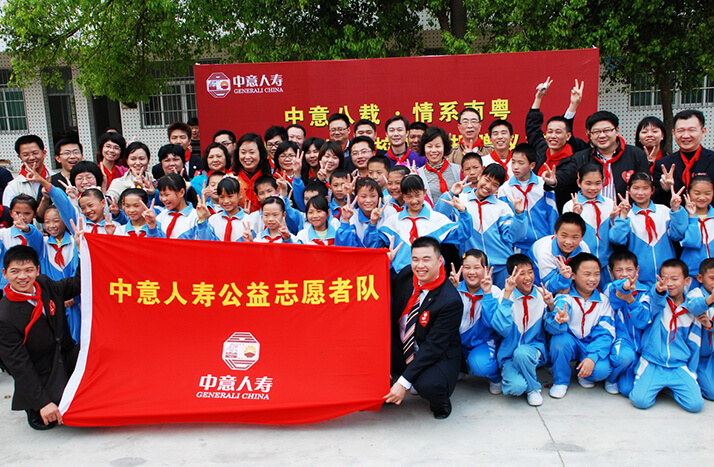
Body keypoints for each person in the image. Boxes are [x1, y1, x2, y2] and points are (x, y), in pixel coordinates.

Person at [0, 245, 80, 430]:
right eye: (15, 271)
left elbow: (77, 283)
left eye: (28, 270)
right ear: (5, 273)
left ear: (37, 270)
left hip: (65, 357)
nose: (22, 277)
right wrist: (43, 403)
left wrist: (83, 249)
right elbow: (19, 366)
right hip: (41, 374)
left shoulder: (44, 284)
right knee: (49, 421)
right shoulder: (4, 316)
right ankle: (37, 403)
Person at [384, 236, 462, 419]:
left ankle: (440, 402)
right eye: (415, 259)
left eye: (426, 259)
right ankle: (387, 387)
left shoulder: (450, 300)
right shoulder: (407, 275)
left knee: (430, 385)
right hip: (404, 346)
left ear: (440, 261)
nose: (420, 266)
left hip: (434, 355)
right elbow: (381, 286)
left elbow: (433, 347)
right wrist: (383, 265)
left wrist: (403, 383)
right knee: (372, 343)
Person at [629, 259, 705, 412]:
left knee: (696, 405)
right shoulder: (656, 300)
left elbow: (694, 343)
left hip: (678, 365)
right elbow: (656, 298)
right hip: (653, 362)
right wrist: (659, 291)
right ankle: (655, 383)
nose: (669, 283)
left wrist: (691, 372)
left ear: (687, 281)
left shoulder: (692, 308)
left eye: (675, 279)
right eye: (664, 279)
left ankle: (670, 388)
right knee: (640, 401)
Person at [436, 163, 526, 287]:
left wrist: (520, 215)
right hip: (472, 268)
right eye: (487, 180)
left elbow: (513, 237)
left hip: (501, 266)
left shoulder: (502, 207)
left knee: (501, 298)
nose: (488, 186)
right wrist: (452, 193)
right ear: (480, 176)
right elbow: (439, 218)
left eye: (495, 185)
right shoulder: (460, 200)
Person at [546, 252, 615, 398]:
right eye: (587, 274)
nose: (592, 279)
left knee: (601, 371)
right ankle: (561, 381)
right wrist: (558, 318)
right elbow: (556, 318)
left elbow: (606, 332)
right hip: (570, 342)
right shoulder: (565, 296)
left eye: (596, 274)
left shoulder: (603, 300)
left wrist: (592, 357)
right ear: (573, 276)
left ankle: (583, 372)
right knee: (559, 341)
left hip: (590, 344)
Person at [545, 111, 649, 205]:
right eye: (596, 132)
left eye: (607, 130)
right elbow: (566, 175)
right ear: (589, 134)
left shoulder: (636, 155)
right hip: (590, 214)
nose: (602, 135)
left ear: (617, 131)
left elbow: (645, 185)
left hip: (625, 214)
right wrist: (554, 181)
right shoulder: (581, 157)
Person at [368, 175, 467, 274]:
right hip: (402, 275)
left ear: (424, 192)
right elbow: (373, 245)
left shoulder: (437, 219)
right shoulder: (393, 221)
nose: (414, 201)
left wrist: (463, 212)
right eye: (409, 196)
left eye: (417, 195)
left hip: (432, 274)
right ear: (403, 196)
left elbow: (462, 235)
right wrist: (373, 224)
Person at [492, 254, 554, 406]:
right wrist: (507, 296)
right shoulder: (504, 296)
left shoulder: (542, 295)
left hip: (534, 350)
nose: (527, 277)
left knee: (522, 353)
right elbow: (502, 329)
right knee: (516, 387)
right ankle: (520, 375)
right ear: (511, 276)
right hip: (509, 355)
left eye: (530, 272)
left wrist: (551, 307)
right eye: (521, 273)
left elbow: (553, 329)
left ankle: (533, 389)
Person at [610, 172, 688, 286]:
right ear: (629, 190)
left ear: (652, 190)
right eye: (636, 188)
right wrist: (622, 217)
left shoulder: (664, 211)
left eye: (645, 188)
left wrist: (676, 210)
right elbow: (617, 240)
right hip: (639, 280)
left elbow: (678, 235)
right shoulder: (627, 216)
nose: (640, 192)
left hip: (667, 278)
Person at [450, 249, 503, 395]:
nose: (471, 272)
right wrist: (451, 292)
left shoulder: (495, 292)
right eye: (467, 267)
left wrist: (487, 294)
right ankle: (460, 368)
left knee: (480, 365)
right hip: (457, 343)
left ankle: (495, 377)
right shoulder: (455, 288)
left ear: (486, 269)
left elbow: (493, 324)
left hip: (483, 342)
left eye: (477, 267)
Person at [603, 250, 650, 397]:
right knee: (624, 359)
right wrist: (624, 288)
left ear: (637, 270)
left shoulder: (645, 291)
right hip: (622, 341)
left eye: (629, 269)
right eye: (619, 270)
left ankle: (633, 372)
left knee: (629, 389)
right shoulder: (609, 288)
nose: (624, 274)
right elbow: (615, 299)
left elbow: (641, 322)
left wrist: (630, 299)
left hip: (643, 344)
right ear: (611, 271)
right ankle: (611, 378)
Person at [497, 143, 557, 254]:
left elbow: (553, 215)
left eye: (521, 163)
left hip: (544, 245)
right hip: (518, 247)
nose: (515, 167)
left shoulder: (543, 185)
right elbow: (504, 221)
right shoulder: (504, 189)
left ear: (532, 165)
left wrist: (553, 241)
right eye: (513, 162)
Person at [562, 164, 615, 284]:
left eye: (598, 183)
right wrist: (576, 216)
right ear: (579, 183)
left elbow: (617, 238)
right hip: (582, 266)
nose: (593, 188)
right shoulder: (570, 205)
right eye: (588, 183)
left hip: (606, 266)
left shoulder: (610, 204)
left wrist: (615, 220)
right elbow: (568, 238)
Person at [653, 110, 714, 206]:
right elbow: (656, 202)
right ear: (674, 133)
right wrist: (665, 189)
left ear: (703, 132)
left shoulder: (712, 160)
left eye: (692, 130)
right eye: (681, 131)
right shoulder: (663, 164)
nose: (686, 136)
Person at [528, 212, 589, 294]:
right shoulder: (545, 252)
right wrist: (563, 279)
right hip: (538, 285)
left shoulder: (583, 248)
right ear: (555, 233)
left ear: (582, 237)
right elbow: (548, 287)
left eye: (575, 237)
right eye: (564, 236)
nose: (568, 242)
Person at [680, 175, 714, 284]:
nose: (702, 197)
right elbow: (691, 242)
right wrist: (692, 217)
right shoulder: (682, 216)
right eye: (697, 193)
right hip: (691, 275)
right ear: (688, 193)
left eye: (707, 193)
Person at [689, 258, 714, 401]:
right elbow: (694, 307)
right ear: (700, 278)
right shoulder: (695, 293)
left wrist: (710, 325)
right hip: (700, 357)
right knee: (712, 392)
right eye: (712, 278)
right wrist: (710, 299)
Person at [196, 176, 250, 242]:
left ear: (239, 195)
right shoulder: (213, 220)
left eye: (230, 196)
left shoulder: (249, 220)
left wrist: (251, 241)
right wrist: (202, 219)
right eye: (221, 197)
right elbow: (205, 242)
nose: (226, 201)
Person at [4, 135, 52, 206]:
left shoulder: (56, 178)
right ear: (20, 157)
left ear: (44, 153)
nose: (31, 158)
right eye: (25, 155)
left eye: (35, 153)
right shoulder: (13, 187)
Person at [232, 133, 273, 214]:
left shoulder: (271, 178)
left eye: (252, 152)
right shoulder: (231, 179)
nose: (247, 157)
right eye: (243, 152)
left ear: (260, 153)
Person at [417, 126, 460, 203]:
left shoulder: (457, 170)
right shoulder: (419, 174)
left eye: (438, 146)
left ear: (444, 147)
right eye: (429, 146)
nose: (434, 150)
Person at [155, 174, 199, 239]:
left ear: (181, 192)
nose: (163, 199)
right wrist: (151, 227)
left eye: (166, 195)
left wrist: (202, 222)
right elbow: (154, 242)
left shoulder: (195, 216)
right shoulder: (161, 216)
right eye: (161, 195)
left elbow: (204, 241)